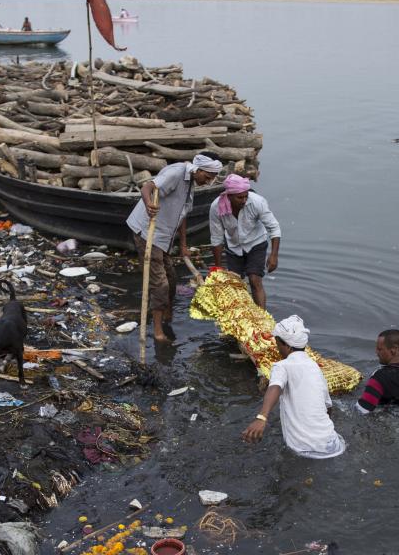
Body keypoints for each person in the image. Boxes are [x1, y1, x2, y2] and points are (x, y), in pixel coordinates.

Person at [126, 152, 223, 342]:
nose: (209, 182)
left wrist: (184, 244)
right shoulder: (176, 174)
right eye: (208, 177)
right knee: (160, 283)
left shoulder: (191, 183)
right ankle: (157, 331)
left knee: (171, 277)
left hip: (164, 236)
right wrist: (148, 205)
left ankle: (167, 314)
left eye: (212, 179)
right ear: (199, 169)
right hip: (148, 232)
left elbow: (182, 214)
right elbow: (147, 187)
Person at [242, 315, 346, 459]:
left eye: (277, 342)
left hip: (303, 449)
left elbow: (275, 387)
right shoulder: (314, 367)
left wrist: (262, 417)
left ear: (287, 345)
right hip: (333, 445)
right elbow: (328, 407)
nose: (276, 347)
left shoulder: (282, 366)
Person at [209, 173, 281, 309]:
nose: (243, 200)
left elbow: (274, 228)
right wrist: (218, 269)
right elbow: (216, 238)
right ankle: (242, 319)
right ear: (229, 196)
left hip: (256, 243)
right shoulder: (216, 207)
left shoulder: (256, 202)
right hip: (233, 246)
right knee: (236, 284)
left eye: (245, 196)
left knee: (255, 280)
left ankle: (262, 319)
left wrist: (273, 256)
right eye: (239, 197)